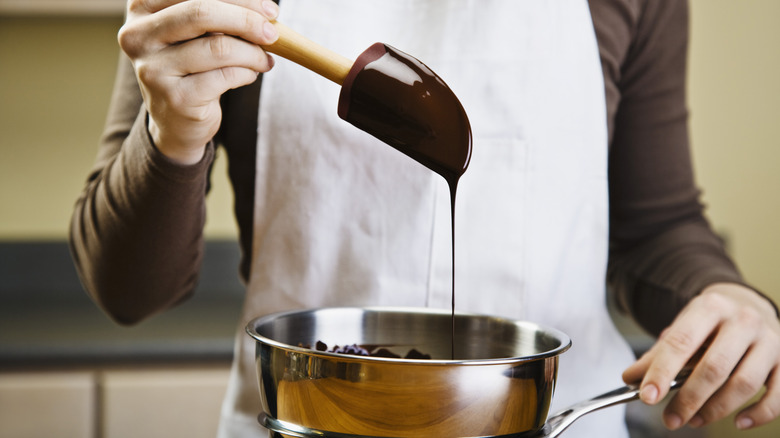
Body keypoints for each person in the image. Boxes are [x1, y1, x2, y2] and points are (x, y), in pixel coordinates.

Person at [70, 0, 780, 436]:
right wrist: (173, 133)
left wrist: (729, 297)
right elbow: (127, 291)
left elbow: (655, 227)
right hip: (303, 428)